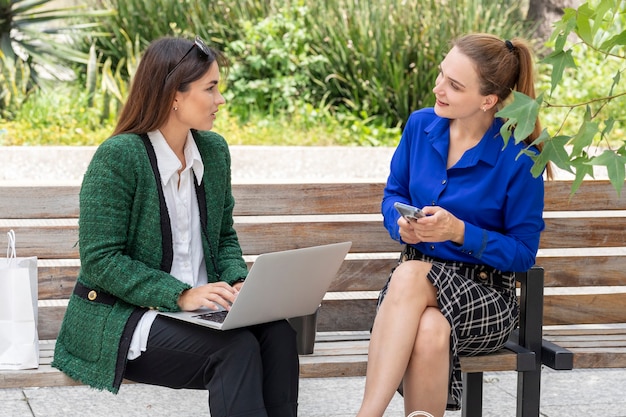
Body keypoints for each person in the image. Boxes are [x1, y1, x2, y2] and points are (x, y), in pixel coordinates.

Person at [52, 36, 299, 417]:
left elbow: (223, 236)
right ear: (174, 95)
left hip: (201, 313)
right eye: (211, 88)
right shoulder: (118, 157)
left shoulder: (213, 152)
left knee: (279, 335)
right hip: (128, 316)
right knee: (235, 350)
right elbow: (101, 260)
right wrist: (181, 295)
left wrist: (237, 283)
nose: (220, 100)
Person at [356, 33, 552, 417]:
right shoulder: (420, 126)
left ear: (488, 100)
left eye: (454, 85)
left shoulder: (520, 157)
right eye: (442, 74)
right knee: (429, 330)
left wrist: (460, 232)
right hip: (408, 296)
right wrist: (402, 227)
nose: (438, 88)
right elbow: (392, 196)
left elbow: (523, 254)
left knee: (411, 275)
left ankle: (366, 415)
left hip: (484, 296)